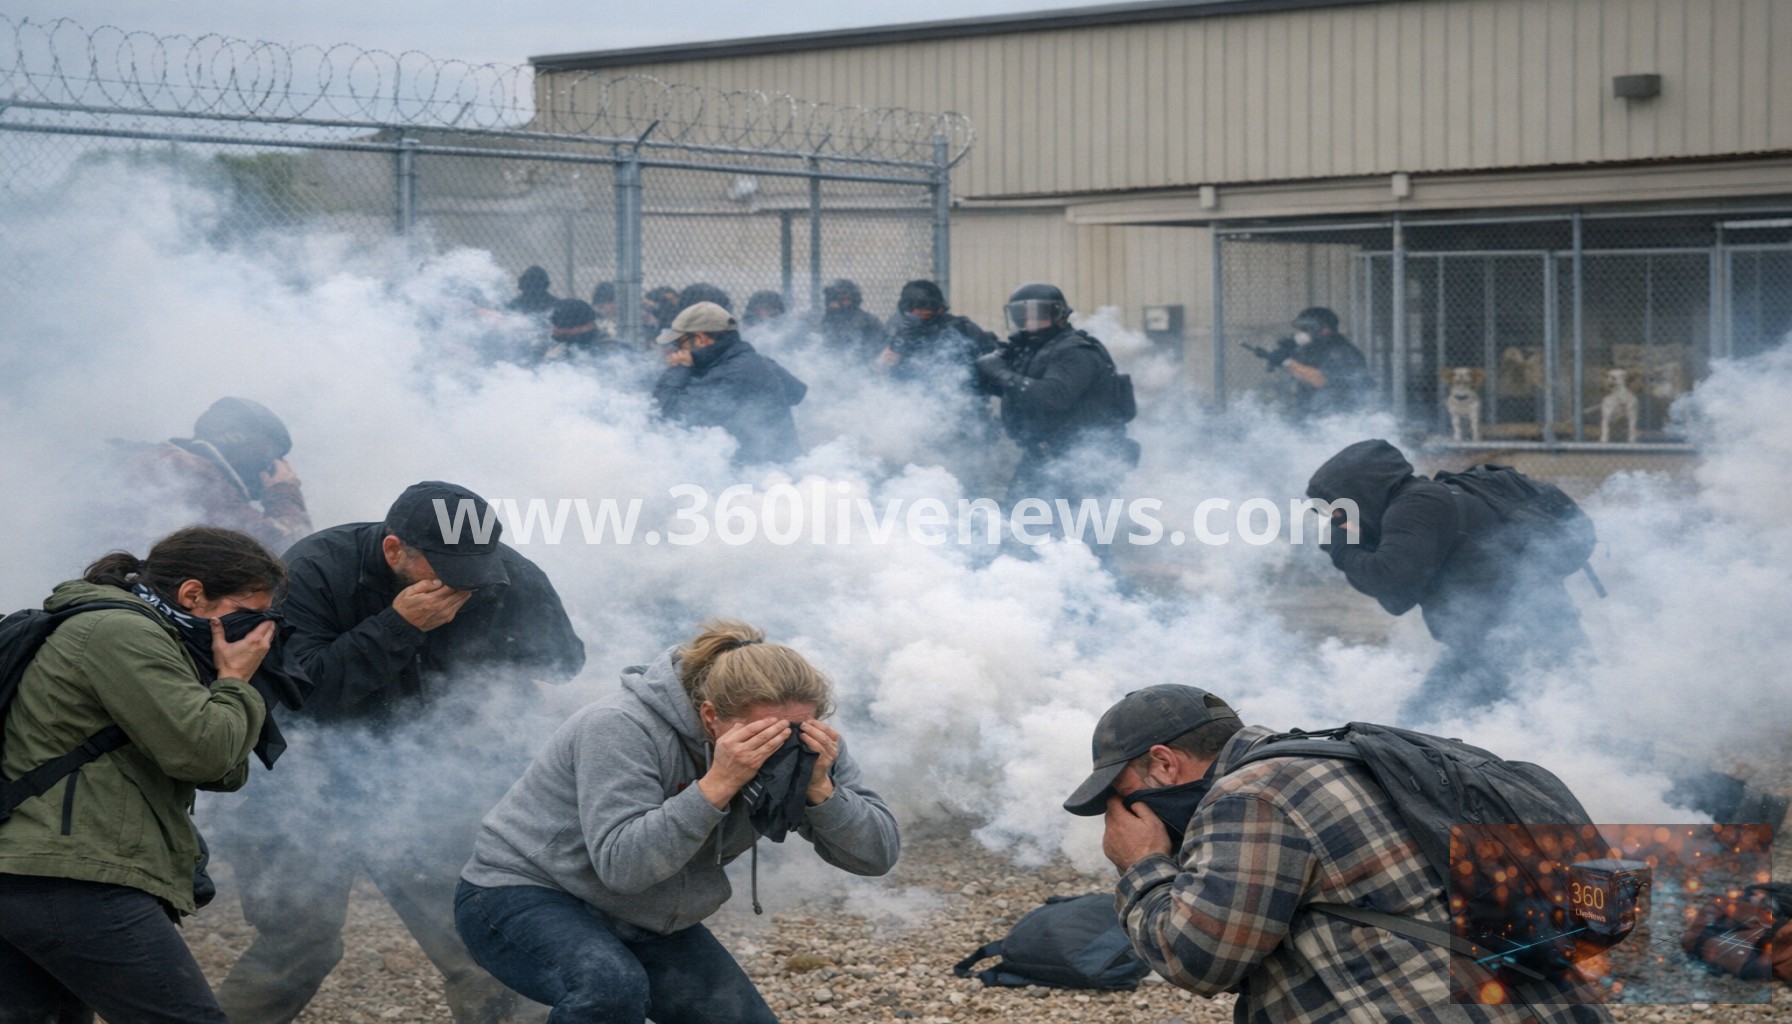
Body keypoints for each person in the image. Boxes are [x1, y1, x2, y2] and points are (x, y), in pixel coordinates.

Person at [214, 481, 585, 1024]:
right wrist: (400, 625)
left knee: (479, 952)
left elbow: (561, 663)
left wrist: (494, 651)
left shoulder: (502, 572)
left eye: (475, 572)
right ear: (395, 551)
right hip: (302, 786)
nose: (466, 586)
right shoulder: (315, 570)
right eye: (448, 573)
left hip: (420, 786)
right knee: (297, 950)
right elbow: (302, 695)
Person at [1064, 684, 1609, 1023]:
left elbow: (1197, 958)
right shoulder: (1344, 760)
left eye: (1123, 793)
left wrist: (1141, 866)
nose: (1124, 812)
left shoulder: (1251, 795)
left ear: (1163, 764)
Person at [455, 619, 899, 1024]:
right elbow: (623, 868)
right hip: (521, 893)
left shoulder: (804, 739)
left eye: (795, 731)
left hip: (645, 914)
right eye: (761, 735)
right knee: (609, 988)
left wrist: (822, 789)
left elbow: (877, 856)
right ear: (710, 716)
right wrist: (718, 783)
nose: (780, 746)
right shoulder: (618, 726)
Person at [0, 527, 284, 1024]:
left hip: (33, 871)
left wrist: (222, 694)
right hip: (72, 873)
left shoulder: (145, 633)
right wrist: (235, 682)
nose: (255, 633)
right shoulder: (123, 631)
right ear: (192, 593)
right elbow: (205, 755)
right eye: (245, 614)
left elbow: (224, 770)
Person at [1305, 439, 1585, 723]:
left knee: (1422, 731)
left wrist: (1344, 548)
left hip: (1518, 645)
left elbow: (1390, 579)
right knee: (1425, 729)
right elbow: (1397, 599)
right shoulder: (1416, 506)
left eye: (1338, 512)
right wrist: (1355, 548)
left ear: (1362, 493)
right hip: (1497, 644)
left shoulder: (1418, 506)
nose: (1337, 523)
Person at [975, 283, 1137, 546]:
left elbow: (1053, 396)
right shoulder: (1033, 349)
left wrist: (1000, 372)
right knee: (1021, 533)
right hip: (1042, 455)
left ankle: (1108, 587)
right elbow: (1015, 391)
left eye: (1039, 314)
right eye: (1022, 315)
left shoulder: (1076, 351)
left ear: (1060, 314)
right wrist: (984, 373)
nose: (1030, 321)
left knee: (1079, 545)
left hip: (1081, 460)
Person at [110, 396, 313, 555]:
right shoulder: (189, 470)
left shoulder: (163, 461)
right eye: (269, 455)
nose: (270, 467)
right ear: (237, 439)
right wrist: (284, 491)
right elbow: (288, 549)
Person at [653, 301, 808, 466]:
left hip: (759, 477)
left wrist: (679, 367)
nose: (675, 350)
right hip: (779, 467)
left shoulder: (728, 374)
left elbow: (665, 413)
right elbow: (796, 393)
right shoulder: (752, 360)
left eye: (679, 343)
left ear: (700, 338)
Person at [1251, 306, 1373, 417]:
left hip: (1342, 412)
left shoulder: (1340, 351)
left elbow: (1320, 380)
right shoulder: (1314, 348)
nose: (1301, 333)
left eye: (1305, 329)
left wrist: (1286, 362)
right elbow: (1301, 373)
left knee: (1321, 399)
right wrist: (1278, 356)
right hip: (1316, 408)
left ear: (1324, 330)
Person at [877, 278, 998, 389]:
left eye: (931, 307)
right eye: (917, 308)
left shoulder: (961, 329)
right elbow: (878, 374)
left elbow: (992, 365)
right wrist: (884, 363)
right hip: (912, 401)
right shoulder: (895, 331)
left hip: (963, 401)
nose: (923, 312)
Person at [815, 278, 887, 361]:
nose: (832, 303)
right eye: (832, 299)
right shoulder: (829, 317)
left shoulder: (863, 320)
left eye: (844, 298)